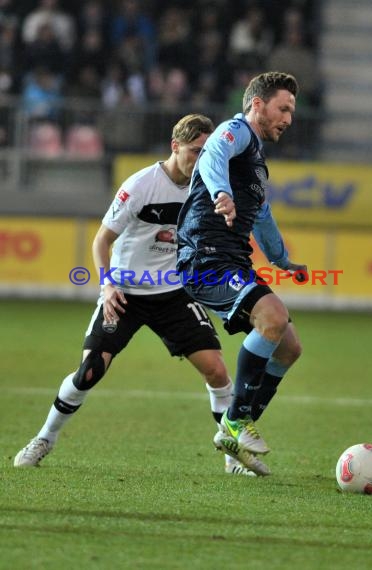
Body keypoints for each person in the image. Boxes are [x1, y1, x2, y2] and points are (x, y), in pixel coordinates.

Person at [14, 114, 265, 476]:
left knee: (216, 371)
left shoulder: (209, 184)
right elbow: (102, 239)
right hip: (126, 292)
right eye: (195, 151)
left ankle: (232, 457)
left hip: (176, 292)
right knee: (90, 371)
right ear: (175, 146)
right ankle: (44, 439)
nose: (201, 159)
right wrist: (108, 283)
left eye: (207, 151)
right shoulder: (142, 184)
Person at [176, 72, 307, 474]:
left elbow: (262, 216)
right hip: (206, 256)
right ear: (257, 105)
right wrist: (220, 194)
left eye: (292, 111)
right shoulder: (236, 132)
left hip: (232, 260)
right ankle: (233, 423)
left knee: (288, 348)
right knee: (271, 316)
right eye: (283, 108)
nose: (288, 118)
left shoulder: (254, 162)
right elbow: (213, 151)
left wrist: (284, 261)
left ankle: (236, 441)